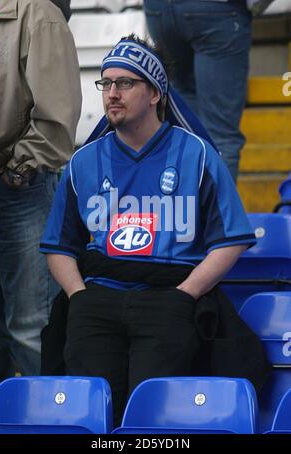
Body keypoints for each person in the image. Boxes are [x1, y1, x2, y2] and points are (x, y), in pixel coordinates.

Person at [40, 34, 265, 426]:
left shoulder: (196, 155)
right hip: (98, 300)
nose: (111, 93)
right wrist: (79, 296)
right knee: (91, 415)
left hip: (169, 298)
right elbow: (59, 246)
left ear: (155, 93)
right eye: (106, 83)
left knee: (151, 415)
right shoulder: (83, 161)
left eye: (125, 83)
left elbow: (230, 240)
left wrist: (185, 294)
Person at [0, 0, 82, 389]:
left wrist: (17, 171)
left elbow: (57, 115)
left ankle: (46, 417)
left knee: (30, 325)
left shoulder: (38, 13)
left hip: (18, 188)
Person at [143, 0, 252, 183]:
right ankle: (215, 210)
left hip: (159, 9)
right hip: (217, 9)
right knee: (221, 134)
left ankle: (187, 209)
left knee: (184, 129)